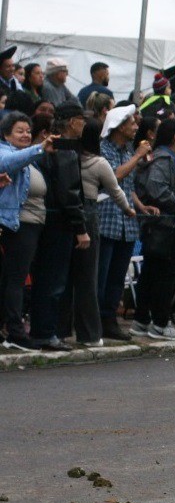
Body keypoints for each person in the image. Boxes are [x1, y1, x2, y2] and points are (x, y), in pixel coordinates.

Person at [61, 118, 136, 347]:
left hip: (66, 214)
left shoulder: (68, 158)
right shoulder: (98, 162)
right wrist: (128, 210)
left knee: (64, 277)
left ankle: (62, 330)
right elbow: (116, 191)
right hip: (90, 214)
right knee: (88, 278)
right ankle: (90, 334)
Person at [28, 101, 90, 351]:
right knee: (53, 280)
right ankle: (44, 332)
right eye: (82, 120)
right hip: (59, 222)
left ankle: (44, 330)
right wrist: (80, 227)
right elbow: (69, 192)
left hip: (49, 219)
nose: (84, 125)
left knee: (47, 277)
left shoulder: (54, 146)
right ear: (73, 121)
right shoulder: (65, 148)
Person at [97, 104, 154, 341]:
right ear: (119, 126)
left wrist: (139, 205)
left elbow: (127, 187)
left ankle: (109, 319)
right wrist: (138, 156)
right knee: (102, 274)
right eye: (132, 123)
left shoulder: (128, 148)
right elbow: (115, 176)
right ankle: (96, 319)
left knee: (118, 275)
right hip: (107, 218)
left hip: (127, 222)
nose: (136, 127)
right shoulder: (104, 148)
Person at [130, 118, 175, 341]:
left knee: (151, 274)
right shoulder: (164, 160)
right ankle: (160, 323)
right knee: (165, 275)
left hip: (162, 228)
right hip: (165, 227)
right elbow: (157, 186)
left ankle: (141, 320)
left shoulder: (165, 158)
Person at [0, 112, 56, 351]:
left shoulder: (28, 156)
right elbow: (6, 164)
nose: (25, 135)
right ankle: (15, 332)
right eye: (19, 131)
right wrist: (38, 148)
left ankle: (8, 328)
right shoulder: (7, 152)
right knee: (15, 280)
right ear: (6, 134)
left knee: (10, 280)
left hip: (31, 225)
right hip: (16, 224)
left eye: (27, 131)